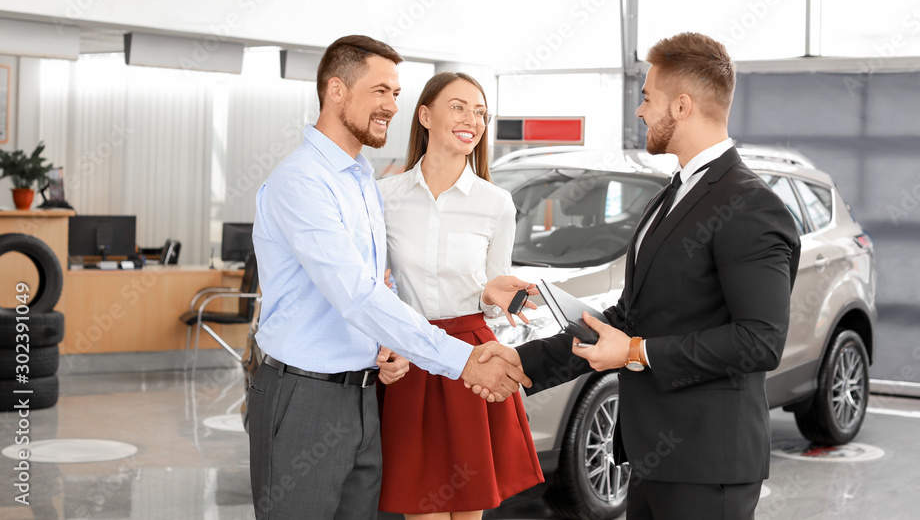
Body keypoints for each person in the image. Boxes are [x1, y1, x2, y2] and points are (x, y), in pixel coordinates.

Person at [476, 32, 801, 519]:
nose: (641, 111)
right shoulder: (672, 195)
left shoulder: (750, 206)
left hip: (709, 465)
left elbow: (760, 341)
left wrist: (633, 352)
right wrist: (522, 365)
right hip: (653, 458)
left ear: (683, 106)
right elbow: (630, 317)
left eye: (648, 97)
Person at [247, 35, 531, 520]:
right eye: (381, 92)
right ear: (336, 91)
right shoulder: (303, 181)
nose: (391, 106)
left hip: (366, 391)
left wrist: (387, 347)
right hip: (305, 394)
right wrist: (462, 360)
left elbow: (379, 284)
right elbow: (354, 294)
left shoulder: (359, 179)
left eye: (396, 94)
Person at [377, 72, 545, 519]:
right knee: (421, 508)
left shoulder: (496, 203)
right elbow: (373, 287)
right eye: (458, 107)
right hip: (411, 355)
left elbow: (494, 289)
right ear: (425, 115)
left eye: (480, 112)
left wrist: (493, 294)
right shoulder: (383, 197)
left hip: (472, 357)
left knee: (468, 509)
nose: (472, 118)